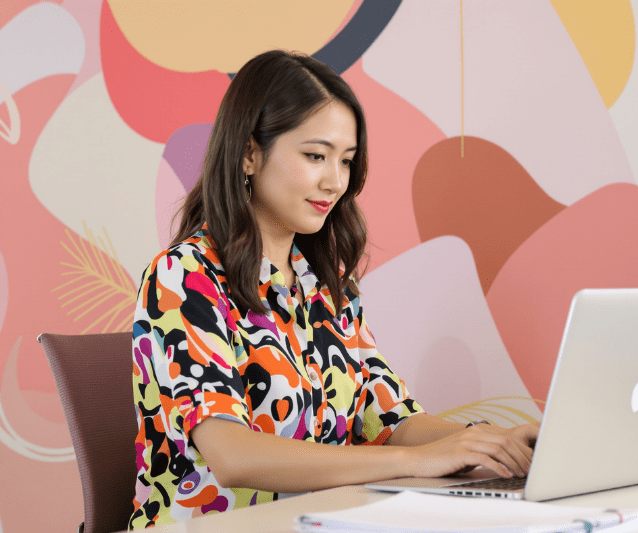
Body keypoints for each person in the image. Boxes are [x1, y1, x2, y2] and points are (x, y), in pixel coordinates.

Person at [129, 50, 538, 529]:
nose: (335, 182)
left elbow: (389, 420)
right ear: (248, 152)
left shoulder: (324, 287)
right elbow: (233, 455)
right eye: (315, 156)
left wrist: (496, 441)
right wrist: (417, 463)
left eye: (345, 161)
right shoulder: (183, 276)